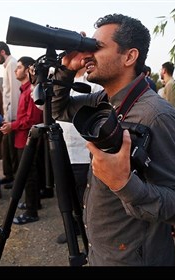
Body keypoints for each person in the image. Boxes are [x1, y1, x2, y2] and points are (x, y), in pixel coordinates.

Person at [51, 13, 175, 266]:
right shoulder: (103, 101)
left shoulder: (157, 116)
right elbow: (57, 109)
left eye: (96, 48)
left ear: (130, 56)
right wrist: (66, 69)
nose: (88, 55)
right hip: (103, 253)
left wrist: (124, 184)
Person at [55, 68, 103, 244]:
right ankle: (73, 229)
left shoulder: (95, 81)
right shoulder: (61, 80)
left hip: (84, 151)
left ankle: (89, 235)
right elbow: (47, 106)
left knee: (85, 196)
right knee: (66, 192)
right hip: (63, 148)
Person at [0, 56, 43, 224]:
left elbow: (31, 120)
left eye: (18, 67)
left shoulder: (32, 91)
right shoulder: (24, 90)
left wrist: (13, 125)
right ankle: (34, 203)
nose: (16, 70)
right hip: (22, 138)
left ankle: (32, 211)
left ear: (27, 70)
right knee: (27, 173)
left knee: (29, 174)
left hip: (27, 139)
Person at [0, 41, 21, 187]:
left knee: (12, 149)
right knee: (6, 147)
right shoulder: (8, 66)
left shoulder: (12, 64)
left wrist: (13, 119)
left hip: (12, 116)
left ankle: (15, 178)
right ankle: (9, 175)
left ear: (3, 52)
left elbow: (14, 92)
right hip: (8, 115)